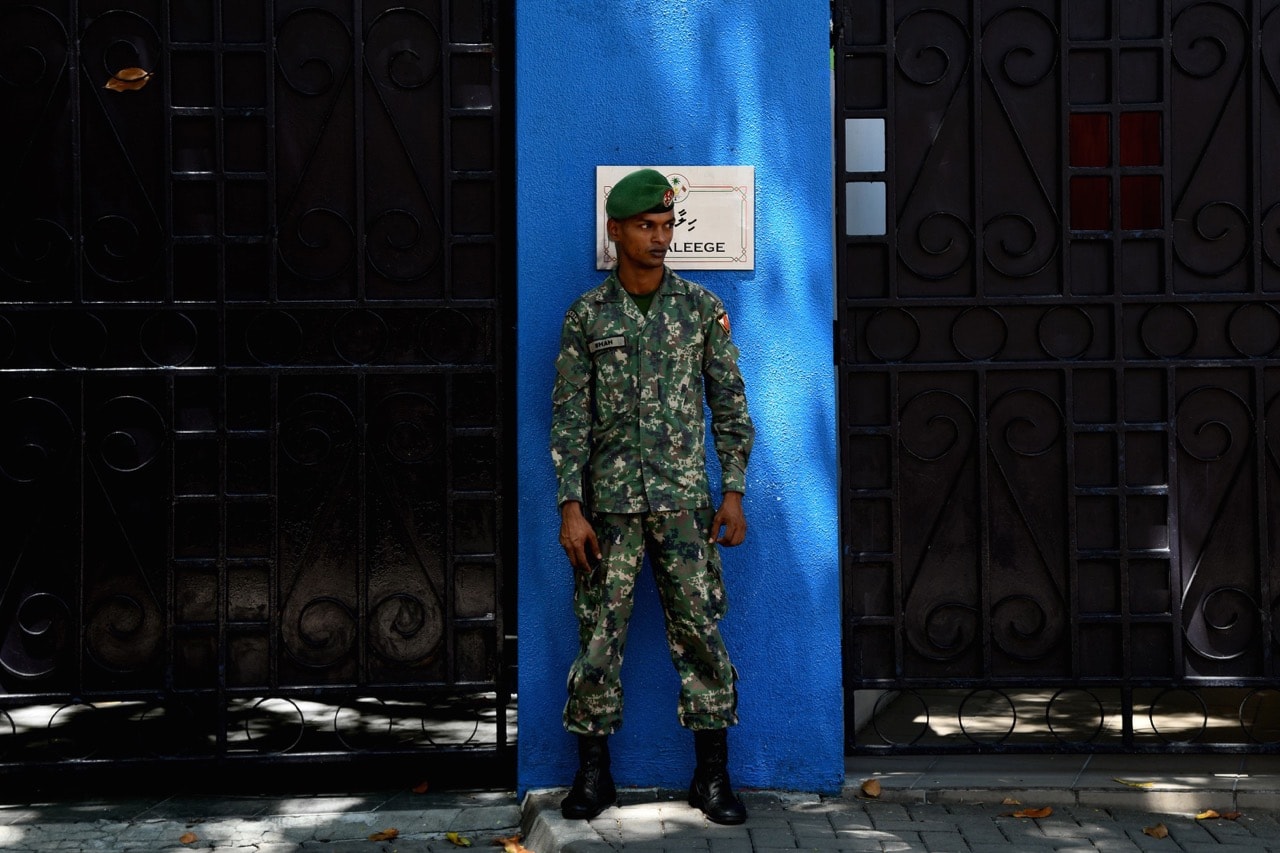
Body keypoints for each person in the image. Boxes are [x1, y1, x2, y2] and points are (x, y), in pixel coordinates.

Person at [549, 168, 755, 825]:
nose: (660, 238)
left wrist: (734, 490)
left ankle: (713, 776)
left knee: (700, 635)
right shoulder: (588, 316)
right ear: (616, 232)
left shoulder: (698, 310)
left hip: (688, 508)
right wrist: (570, 506)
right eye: (646, 227)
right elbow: (569, 419)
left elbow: (729, 403)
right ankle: (593, 775)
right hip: (606, 512)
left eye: (667, 226)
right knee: (599, 640)